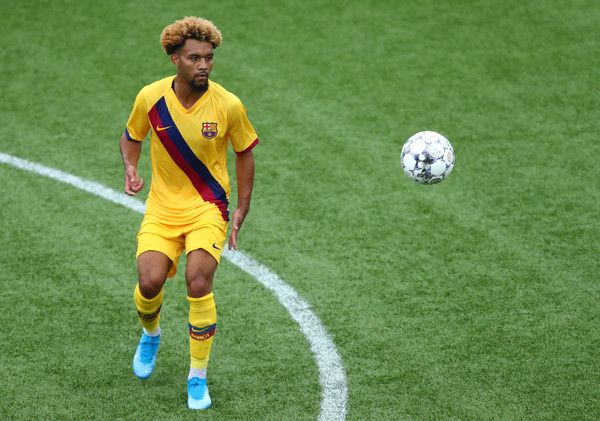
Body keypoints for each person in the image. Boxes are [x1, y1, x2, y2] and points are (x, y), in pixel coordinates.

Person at [119, 16, 258, 410]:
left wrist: (242, 205)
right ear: (174, 58)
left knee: (198, 282)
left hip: (207, 209)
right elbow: (131, 137)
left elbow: (244, 150)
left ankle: (197, 375)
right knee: (149, 283)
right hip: (162, 210)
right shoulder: (151, 98)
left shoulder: (227, 104)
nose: (204, 66)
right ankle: (151, 335)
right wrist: (131, 167)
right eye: (194, 58)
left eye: (209, 58)